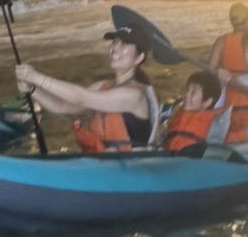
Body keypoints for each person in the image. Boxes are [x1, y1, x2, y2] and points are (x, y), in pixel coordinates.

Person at [15, 26, 161, 152]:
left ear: (139, 58)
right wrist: (33, 89)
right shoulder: (102, 86)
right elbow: (61, 106)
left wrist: (36, 77)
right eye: (115, 42)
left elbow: (81, 97)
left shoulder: (134, 95)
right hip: (104, 163)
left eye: (124, 44)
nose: (115, 48)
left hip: (131, 168)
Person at [160, 70, 223, 155]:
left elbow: (228, 139)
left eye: (193, 92)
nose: (186, 94)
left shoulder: (212, 123)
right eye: (187, 89)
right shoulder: (177, 114)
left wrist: (245, 134)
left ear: (207, 102)